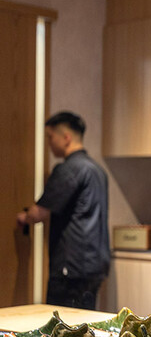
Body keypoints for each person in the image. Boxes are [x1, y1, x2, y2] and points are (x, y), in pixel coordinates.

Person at [16, 111, 110, 309]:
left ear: (66, 137)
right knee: (84, 323)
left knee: (63, 327)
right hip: (94, 264)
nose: (49, 143)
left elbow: (39, 212)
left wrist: (25, 217)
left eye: (51, 137)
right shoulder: (97, 170)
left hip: (71, 265)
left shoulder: (68, 169)